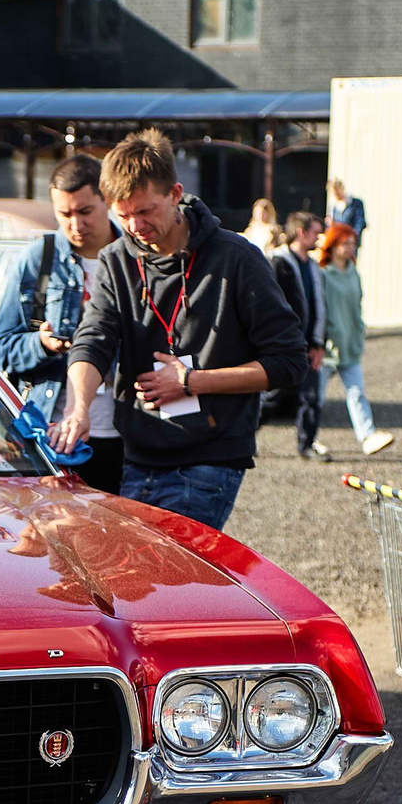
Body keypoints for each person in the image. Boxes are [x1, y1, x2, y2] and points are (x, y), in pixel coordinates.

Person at [53, 128, 308, 531]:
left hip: (210, 457)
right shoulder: (116, 260)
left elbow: (290, 362)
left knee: (165, 564)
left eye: (146, 211)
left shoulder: (236, 258)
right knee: (137, 566)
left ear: (175, 194)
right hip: (138, 453)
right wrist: (78, 409)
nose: (135, 226)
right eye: (123, 215)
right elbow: (93, 339)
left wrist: (191, 381)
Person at [0, 153, 124, 493]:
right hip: (52, 431)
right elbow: (0, 348)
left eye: (85, 211)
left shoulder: (134, 256)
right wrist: (41, 344)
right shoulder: (39, 259)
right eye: (64, 214)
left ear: (107, 200)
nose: (75, 224)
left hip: (126, 432)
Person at [317, 221, 393, 456]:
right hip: (326, 347)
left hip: (350, 343)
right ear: (333, 245)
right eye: (346, 243)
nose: (351, 247)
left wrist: (360, 329)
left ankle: (367, 436)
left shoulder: (353, 272)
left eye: (353, 243)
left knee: (356, 392)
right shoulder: (322, 274)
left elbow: (357, 304)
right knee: (315, 397)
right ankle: (310, 438)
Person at [271, 211, 329, 459]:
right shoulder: (278, 263)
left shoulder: (314, 267)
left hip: (309, 344)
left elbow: (320, 305)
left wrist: (318, 342)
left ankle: (307, 444)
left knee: (311, 397)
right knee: (272, 396)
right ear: (301, 232)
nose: (319, 238)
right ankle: (245, 437)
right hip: (284, 344)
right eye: (315, 232)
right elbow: (270, 306)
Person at [327, 178, 366, 248]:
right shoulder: (334, 207)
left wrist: (354, 236)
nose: (337, 196)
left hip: (351, 241)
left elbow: (360, 222)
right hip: (339, 242)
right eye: (334, 194)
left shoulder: (355, 203)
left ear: (342, 189)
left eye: (337, 193)